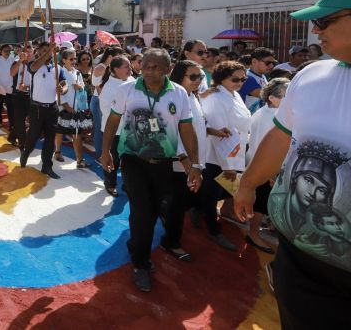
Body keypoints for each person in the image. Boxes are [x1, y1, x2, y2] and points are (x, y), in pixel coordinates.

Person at [235, 0, 351, 329]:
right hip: (296, 260)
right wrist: (248, 184)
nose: (315, 30)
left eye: (325, 21)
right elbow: (280, 137)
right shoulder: (311, 75)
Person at [100, 48, 199, 292]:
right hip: (133, 160)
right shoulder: (127, 89)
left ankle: (136, 244)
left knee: (153, 211)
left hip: (163, 162)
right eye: (145, 65)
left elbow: (186, 129)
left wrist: (195, 164)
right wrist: (105, 151)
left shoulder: (179, 93)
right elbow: (113, 121)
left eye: (155, 67)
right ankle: (140, 263)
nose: (149, 71)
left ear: (168, 69)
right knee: (143, 211)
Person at [197, 61, 252, 251]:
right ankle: (213, 230)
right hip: (218, 156)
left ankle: (198, 211)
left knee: (219, 191)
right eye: (235, 79)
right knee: (212, 195)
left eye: (243, 79)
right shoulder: (216, 97)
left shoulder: (233, 94)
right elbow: (219, 134)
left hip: (234, 152)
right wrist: (227, 166)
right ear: (221, 78)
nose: (240, 83)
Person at [162, 60, 206, 262]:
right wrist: (185, 160)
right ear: (180, 76)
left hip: (194, 161)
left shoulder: (192, 96)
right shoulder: (173, 97)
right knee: (177, 203)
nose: (198, 80)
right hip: (179, 162)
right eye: (193, 76)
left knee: (181, 201)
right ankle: (171, 242)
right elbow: (171, 131)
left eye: (201, 76)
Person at [244, 77, 290, 254]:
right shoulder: (273, 117)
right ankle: (253, 234)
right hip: (265, 168)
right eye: (286, 96)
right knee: (260, 204)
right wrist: (271, 173)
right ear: (272, 98)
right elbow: (264, 147)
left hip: (261, 165)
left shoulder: (264, 112)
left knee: (261, 201)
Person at [20, 41, 67, 179]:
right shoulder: (33, 65)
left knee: (50, 139)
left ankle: (46, 166)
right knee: (33, 136)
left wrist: (62, 89)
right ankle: (26, 152)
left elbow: (64, 84)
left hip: (52, 108)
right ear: (39, 52)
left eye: (49, 50)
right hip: (37, 108)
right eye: (44, 50)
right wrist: (50, 50)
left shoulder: (58, 68)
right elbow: (34, 67)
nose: (47, 52)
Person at [99, 55, 135, 195]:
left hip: (130, 130)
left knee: (129, 160)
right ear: (115, 69)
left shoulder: (131, 80)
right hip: (115, 131)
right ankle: (110, 184)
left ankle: (128, 184)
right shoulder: (109, 88)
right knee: (113, 159)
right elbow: (108, 112)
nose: (130, 69)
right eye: (126, 67)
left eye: (130, 65)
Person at [53, 48, 92, 169]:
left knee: (77, 134)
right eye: (71, 59)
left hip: (75, 108)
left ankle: (80, 159)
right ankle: (57, 151)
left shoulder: (77, 72)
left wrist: (79, 87)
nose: (74, 61)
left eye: (75, 58)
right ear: (64, 60)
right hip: (62, 108)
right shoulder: (59, 72)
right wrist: (66, 106)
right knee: (60, 131)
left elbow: (83, 88)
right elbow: (58, 91)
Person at [9, 45, 33, 149]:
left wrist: (27, 87)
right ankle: (23, 143)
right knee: (20, 119)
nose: (28, 54)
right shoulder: (17, 62)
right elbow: (12, 73)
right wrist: (20, 61)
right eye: (26, 52)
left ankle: (12, 136)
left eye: (30, 51)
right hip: (18, 94)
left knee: (31, 119)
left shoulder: (34, 64)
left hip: (31, 95)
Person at [0, 44, 16, 137]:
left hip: (10, 87)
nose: (7, 52)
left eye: (9, 51)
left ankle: (12, 125)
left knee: (11, 108)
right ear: (1, 51)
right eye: (5, 51)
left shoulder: (13, 60)